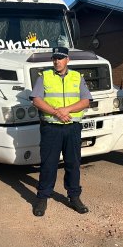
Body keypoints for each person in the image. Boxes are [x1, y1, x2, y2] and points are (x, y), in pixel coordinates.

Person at [30, 47, 92, 217]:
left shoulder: (77, 77)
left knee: (73, 163)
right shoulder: (44, 77)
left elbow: (86, 101)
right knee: (48, 164)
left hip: (72, 127)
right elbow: (36, 100)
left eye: (60, 58)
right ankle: (42, 198)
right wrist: (57, 112)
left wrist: (67, 110)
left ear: (67, 60)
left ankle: (74, 197)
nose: (57, 61)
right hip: (51, 128)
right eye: (54, 58)